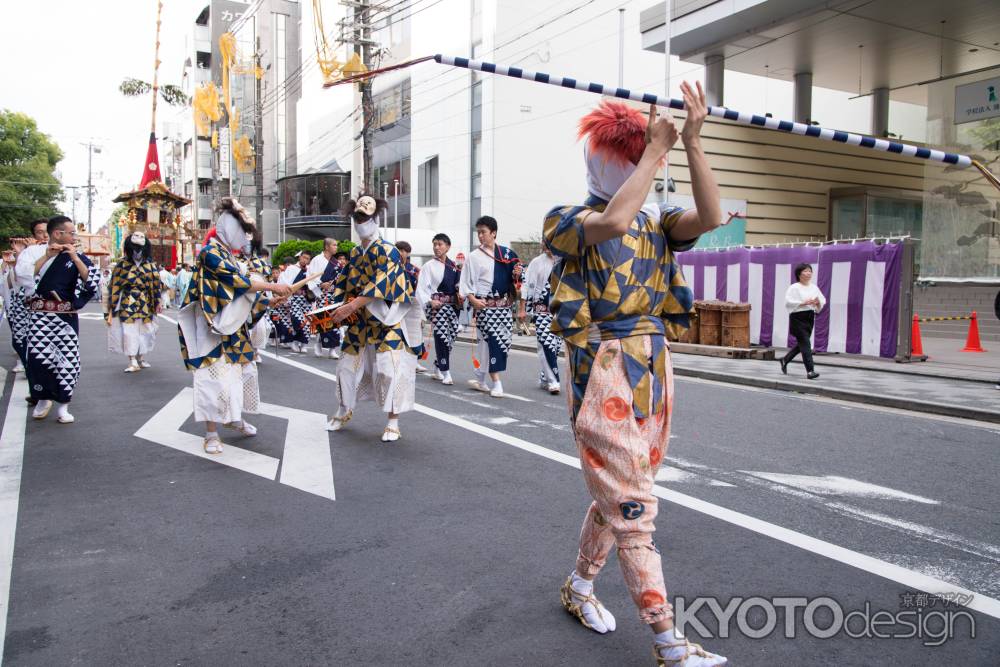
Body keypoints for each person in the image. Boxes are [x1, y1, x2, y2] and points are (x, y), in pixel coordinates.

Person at [544, 90, 727, 666]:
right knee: (633, 505)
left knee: (617, 497)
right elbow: (615, 217)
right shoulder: (567, 220)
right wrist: (653, 152)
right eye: (622, 156)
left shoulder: (659, 224)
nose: (628, 164)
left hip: (654, 365)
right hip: (602, 369)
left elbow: (713, 216)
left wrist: (692, 143)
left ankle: (578, 587)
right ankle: (668, 641)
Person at [177, 198, 292, 454]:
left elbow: (243, 297)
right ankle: (210, 433)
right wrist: (273, 286)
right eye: (243, 231)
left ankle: (235, 417)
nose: (246, 238)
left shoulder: (229, 255)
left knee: (241, 376)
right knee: (212, 379)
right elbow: (237, 281)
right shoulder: (210, 253)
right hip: (212, 328)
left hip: (235, 329)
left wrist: (271, 300)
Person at [326, 194, 417, 443]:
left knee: (389, 369)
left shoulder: (389, 252)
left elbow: (383, 284)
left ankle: (393, 420)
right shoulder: (355, 253)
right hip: (359, 319)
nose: (360, 222)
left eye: (364, 217)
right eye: (356, 217)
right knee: (345, 365)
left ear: (375, 219)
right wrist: (329, 308)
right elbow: (343, 283)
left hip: (386, 319)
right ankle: (344, 409)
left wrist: (351, 306)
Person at [26, 216, 100, 423]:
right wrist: (45, 257)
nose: (74, 236)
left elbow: (92, 282)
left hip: (65, 317)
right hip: (40, 318)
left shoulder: (76, 255)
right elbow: (22, 277)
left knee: (68, 361)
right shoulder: (34, 252)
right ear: (58, 234)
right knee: (39, 359)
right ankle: (42, 399)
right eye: (72, 233)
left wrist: (76, 258)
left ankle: (64, 406)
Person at [459, 216, 521, 398]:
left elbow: (517, 279)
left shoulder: (507, 254)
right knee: (493, 341)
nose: (480, 236)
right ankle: (497, 382)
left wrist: (517, 274)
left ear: (493, 233)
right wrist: (472, 299)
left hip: (504, 308)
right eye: (478, 232)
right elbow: (465, 283)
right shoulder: (474, 257)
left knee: (500, 343)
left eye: (483, 232)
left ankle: (480, 376)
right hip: (485, 307)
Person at [106, 230, 161, 372]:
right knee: (129, 331)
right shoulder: (122, 264)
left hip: (146, 302)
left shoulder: (150, 265)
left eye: (140, 249)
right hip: (127, 301)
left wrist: (158, 301)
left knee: (147, 331)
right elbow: (115, 284)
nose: (138, 252)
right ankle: (132, 360)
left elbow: (156, 284)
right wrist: (112, 304)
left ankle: (141, 357)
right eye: (135, 249)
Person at [416, 233, 462, 385]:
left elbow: (459, 287)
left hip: (452, 307)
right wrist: (430, 300)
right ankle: (445, 371)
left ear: (448, 247)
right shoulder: (428, 266)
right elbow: (421, 289)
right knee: (442, 336)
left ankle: (438, 365)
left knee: (451, 337)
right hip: (437, 307)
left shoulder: (454, 267)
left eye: (440, 244)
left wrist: (461, 293)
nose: (436, 247)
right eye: (434, 244)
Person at [7, 220, 49, 377]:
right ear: (33, 234)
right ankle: (31, 372)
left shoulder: (58, 250)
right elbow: (19, 278)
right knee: (20, 339)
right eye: (39, 232)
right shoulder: (29, 251)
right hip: (24, 302)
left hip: (48, 304)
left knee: (43, 342)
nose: (44, 235)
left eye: (47, 231)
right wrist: (20, 253)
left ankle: (40, 379)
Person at [519, 241, 560, 394]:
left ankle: (545, 376)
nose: (548, 246)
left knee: (554, 347)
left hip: (558, 311)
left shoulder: (562, 261)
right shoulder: (537, 262)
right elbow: (526, 285)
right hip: (541, 309)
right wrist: (523, 308)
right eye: (546, 242)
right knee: (546, 344)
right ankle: (553, 381)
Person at [779, 263, 826, 380]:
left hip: (809, 316)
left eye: (810, 271)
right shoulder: (794, 287)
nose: (808, 273)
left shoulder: (814, 287)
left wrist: (817, 302)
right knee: (806, 343)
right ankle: (810, 371)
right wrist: (803, 303)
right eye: (805, 271)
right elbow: (788, 302)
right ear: (799, 274)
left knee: (802, 343)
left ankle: (785, 359)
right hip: (797, 317)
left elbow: (822, 300)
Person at [307, 238, 344, 359]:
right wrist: (320, 284)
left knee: (335, 320)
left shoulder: (336, 262)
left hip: (334, 294)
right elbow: (311, 276)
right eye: (334, 245)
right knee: (323, 320)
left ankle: (332, 349)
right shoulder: (317, 260)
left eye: (336, 245)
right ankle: (318, 343)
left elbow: (340, 277)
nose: (336, 247)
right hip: (322, 295)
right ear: (327, 247)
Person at [396, 240, 427, 371]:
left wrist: (422, 314)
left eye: (404, 251)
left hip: (412, 306)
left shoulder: (414, 270)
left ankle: (414, 361)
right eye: (399, 250)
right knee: (398, 334)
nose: (402, 253)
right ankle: (398, 360)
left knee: (414, 335)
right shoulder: (391, 268)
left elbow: (420, 291)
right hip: (396, 306)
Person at [276, 250, 314, 353]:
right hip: (295, 298)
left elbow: (314, 283)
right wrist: (287, 297)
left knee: (307, 322)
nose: (305, 260)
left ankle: (303, 344)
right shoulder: (292, 268)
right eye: (304, 257)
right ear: (300, 257)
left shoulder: (310, 270)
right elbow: (285, 283)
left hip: (307, 298)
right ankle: (294, 341)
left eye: (307, 258)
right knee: (297, 320)